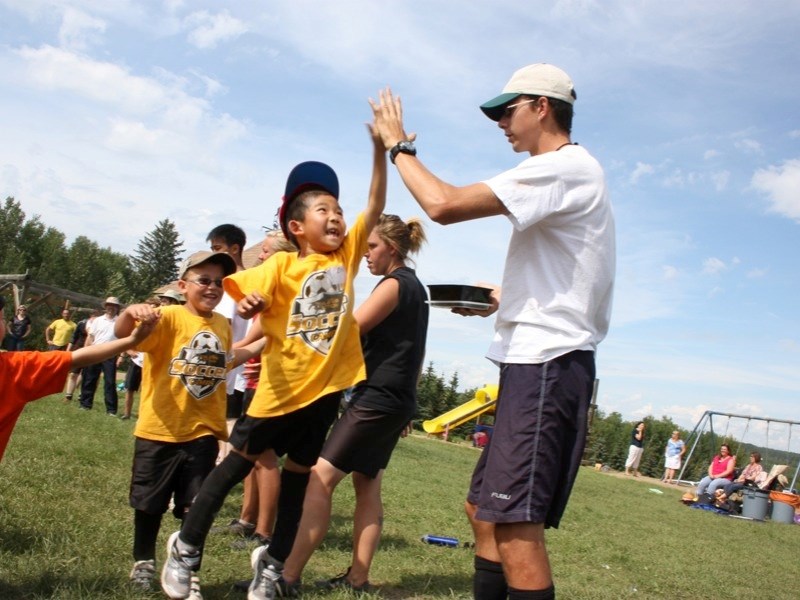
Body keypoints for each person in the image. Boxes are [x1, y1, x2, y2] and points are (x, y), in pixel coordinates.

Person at [371, 62, 615, 600]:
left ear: (541, 106)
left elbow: (443, 204)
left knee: (513, 523)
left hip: (547, 364)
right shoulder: (569, 174)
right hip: (535, 360)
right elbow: (576, 277)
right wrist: (503, 301)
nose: (500, 121)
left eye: (508, 110)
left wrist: (397, 148)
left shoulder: (564, 167)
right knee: (484, 510)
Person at [160, 113, 387, 600]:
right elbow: (243, 294)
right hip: (278, 394)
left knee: (298, 485)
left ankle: (273, 567)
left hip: (323, 396)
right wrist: (247, 302)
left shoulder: (344, 257)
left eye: (338, 210)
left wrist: (379, 150)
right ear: (296, 226)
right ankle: (185, 547)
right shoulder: (281, 264)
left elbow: (377, 201)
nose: (335, 216)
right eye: (323, 210)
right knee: (232, 469)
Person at [278, 214, 428, 595]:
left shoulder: (394, 285)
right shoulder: (417, 289)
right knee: (367, 484)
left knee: (320, 477)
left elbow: (350, 330)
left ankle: (287, 576)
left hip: (378, 397)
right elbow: (411, 351)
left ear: (391, 249)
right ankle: (358, 578)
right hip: (395, 399)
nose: (365, 255)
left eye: (372, 247)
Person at [115, 250, 266, 594]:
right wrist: (128, 313)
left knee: (196, 508)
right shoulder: (166, 317)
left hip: (202, 434)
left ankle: (186, 570)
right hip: (160, 430)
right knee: (149, 504)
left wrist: (270, 338)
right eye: (204, 280)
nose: (212, 287)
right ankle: (144, 562)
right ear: (183, 285)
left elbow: (226, 361)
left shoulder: (223, 326)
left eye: (218, 282)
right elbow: (125, 335)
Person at [0, 295, 157, 462]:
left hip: (106, 356)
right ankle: (88, 403)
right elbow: (77, 357)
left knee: (106, 383)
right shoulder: (14, 368)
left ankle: (107, 408)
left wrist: (130, 340)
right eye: (2, 318)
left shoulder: (16, 367)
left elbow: (76, 356)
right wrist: (132, 340)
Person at [225, 231, 297, 555]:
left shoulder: (278, 300)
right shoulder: (266, 297)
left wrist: (215, 352)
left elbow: (250, 343)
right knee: (252, 458)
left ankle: (265, 531)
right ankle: (246, 518)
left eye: (266, 252)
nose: (261, 257)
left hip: (266, 385)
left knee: (264, 458)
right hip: (252, 383)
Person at [206, 224, 250, 464]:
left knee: (223, 419)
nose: (214, 254)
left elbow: (223, 324)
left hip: (225, 360)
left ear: (235, 248)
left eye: (218, 248)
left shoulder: (231, 282)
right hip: (240, 363)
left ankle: (220, 466)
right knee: (229, 416)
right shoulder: (253, 279)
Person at [79, 296, 122, 415]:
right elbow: (90, 337)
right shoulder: (98, 320)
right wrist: (85, 353)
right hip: (95, 351)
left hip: (110, 353)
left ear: (117, 308)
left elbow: (124, 339)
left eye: (114, 306)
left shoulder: (120, 321)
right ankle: (85, 404)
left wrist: (121, 356)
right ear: (105, 307)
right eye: (109, 305)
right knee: (89, 379)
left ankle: (111, 410)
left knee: (110, 382)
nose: (111, 308)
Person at [63, 309, 100, 402]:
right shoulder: (82, 323)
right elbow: (74, 338)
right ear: (90, 316)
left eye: (96, 316)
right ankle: (68, 396)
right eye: (93, 316)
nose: (94, 318)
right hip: (78, 349)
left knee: (87, 375)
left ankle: (82, 396)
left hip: (92, 351)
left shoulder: (101, 325)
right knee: (73, 374)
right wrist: (68, 351)